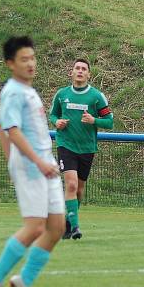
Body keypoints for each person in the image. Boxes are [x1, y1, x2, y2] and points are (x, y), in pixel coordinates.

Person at [0, 36, 65, 287]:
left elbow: (1, 125)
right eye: (23, 59)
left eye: (32, 58)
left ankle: (24, 281)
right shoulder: (13, 91)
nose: (30, 63)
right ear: (10, 64)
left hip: (45, 164)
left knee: (56, 228)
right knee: (35, 227)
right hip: (33, 167)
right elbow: (10, 129)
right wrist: (32, 162)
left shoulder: (28, 90)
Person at [49, 58, 114, 240]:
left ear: (88, 74)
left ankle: (68, 223)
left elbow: (110, 121)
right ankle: (76, 227)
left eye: (83, 69)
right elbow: (53, 114)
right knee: (71, 184)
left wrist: (94, 120)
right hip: (66, 144)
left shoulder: (96, 96)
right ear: (71, 72)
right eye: (76, 68)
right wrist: (57, 122)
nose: (80, 71)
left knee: (79, 189)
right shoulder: (61, 94)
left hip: (87, 147)